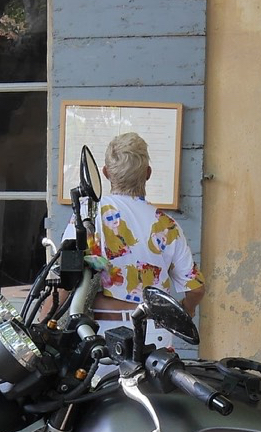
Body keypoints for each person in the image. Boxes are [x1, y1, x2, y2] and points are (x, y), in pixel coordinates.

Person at [81, 131, 204, 344]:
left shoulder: (89, 214)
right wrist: (187, 309)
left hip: (102, 332)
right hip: (154, 332)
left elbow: (66, 275)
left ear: (105, 173)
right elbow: (196, 289)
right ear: (148, 173)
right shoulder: (166, 225)